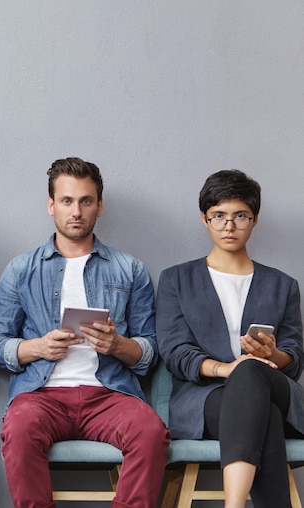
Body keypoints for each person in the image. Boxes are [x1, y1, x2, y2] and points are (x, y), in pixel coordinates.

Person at [0, 157, 169, 508]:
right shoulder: (21, 269)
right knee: (19, 430)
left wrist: (117, 345)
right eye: (67, 201)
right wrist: (38, 347)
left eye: (86, 201)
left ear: (99, 206)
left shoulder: (129, 269)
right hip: (42, 395)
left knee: (151, 433)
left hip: (109, 394)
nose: (76, 211)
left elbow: (150, 351)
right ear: (51, 205)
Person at [155, 169, 304, 508]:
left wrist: (274, 354)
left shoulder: (283, 285)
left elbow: (294, 356)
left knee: (252, 372)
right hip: (205, 400)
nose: (229, 226)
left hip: (275, 386)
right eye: (219, 216)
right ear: (204, 219)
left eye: (240, 216)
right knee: (259, 407)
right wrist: (227, 369)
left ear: (254, 219)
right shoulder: (177, 280)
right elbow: (175, 352)